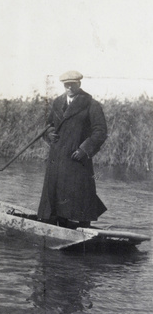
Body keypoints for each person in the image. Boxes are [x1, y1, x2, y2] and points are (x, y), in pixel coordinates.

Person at [37, 70, 108, 228]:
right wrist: (50, 134)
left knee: (80, 193)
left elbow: (101, 131)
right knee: (56, 193)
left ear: (79, 84)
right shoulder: (57, 102)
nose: (69, 87)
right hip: (57, 156)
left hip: (76, 157)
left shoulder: (91, 104)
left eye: (72, 84)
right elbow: (49, 125)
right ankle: (57, 224)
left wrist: (84, 150)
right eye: (66, 85)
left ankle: (83, 227)